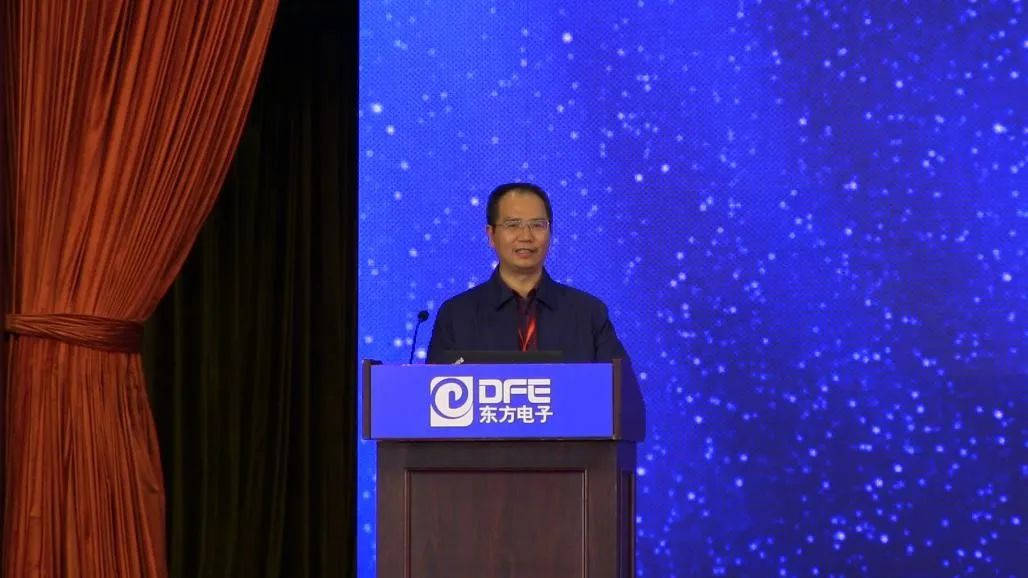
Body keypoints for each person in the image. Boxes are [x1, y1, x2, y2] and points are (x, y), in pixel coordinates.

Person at [426, 182, 630, 364]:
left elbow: (621, 390)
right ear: (491, 235)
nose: (526, 236)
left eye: (537, 225)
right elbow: (434, 391)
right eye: (513, 225)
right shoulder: (457, 315)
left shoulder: (588, 313)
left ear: (550, 232)